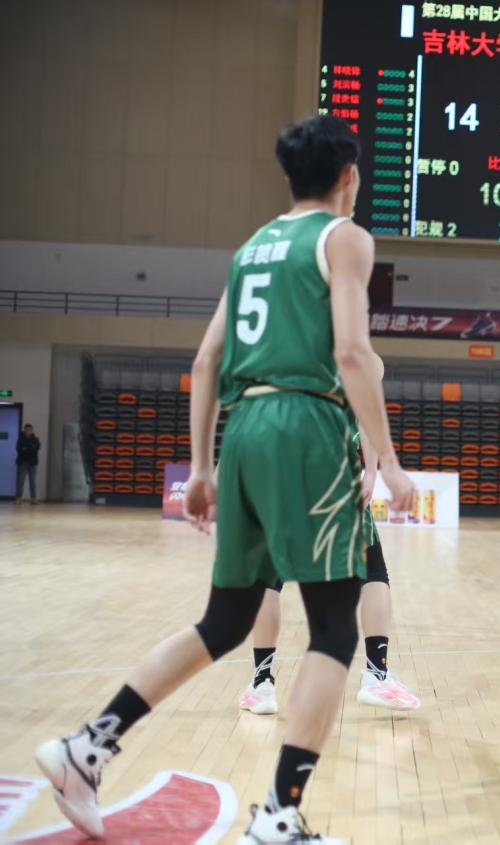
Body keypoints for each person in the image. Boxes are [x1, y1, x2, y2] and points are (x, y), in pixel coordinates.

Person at [34, 115, 415, 844]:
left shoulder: (252, 247)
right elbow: (351, 354)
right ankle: (278, 815)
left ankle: (88, 745)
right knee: (335, 626)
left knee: (225, 621)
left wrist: (203, 466)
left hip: (243, 431)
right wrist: (389, 461)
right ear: (349, 176)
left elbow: (205, 360)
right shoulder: (344, 238)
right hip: (307, 427)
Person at [239, 352, 422, 716]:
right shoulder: (362, 361)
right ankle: (377, 675)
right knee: (372, 573)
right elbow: (369, 413)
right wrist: (371, 472)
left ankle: (262, 685)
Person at [15, 423, 39, 503]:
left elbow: (36, 448)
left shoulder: (36, 440)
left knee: (33, 481)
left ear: (32, 431)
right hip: (22, 463)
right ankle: (19, 498)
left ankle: (33, 498)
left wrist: (26, 449)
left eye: (29, 430)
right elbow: (19, 450)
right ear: (24, 430)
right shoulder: (20, 440)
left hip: (33, 463)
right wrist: (30, 448)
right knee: (20, 481)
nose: (28, 431)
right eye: (26, 430)